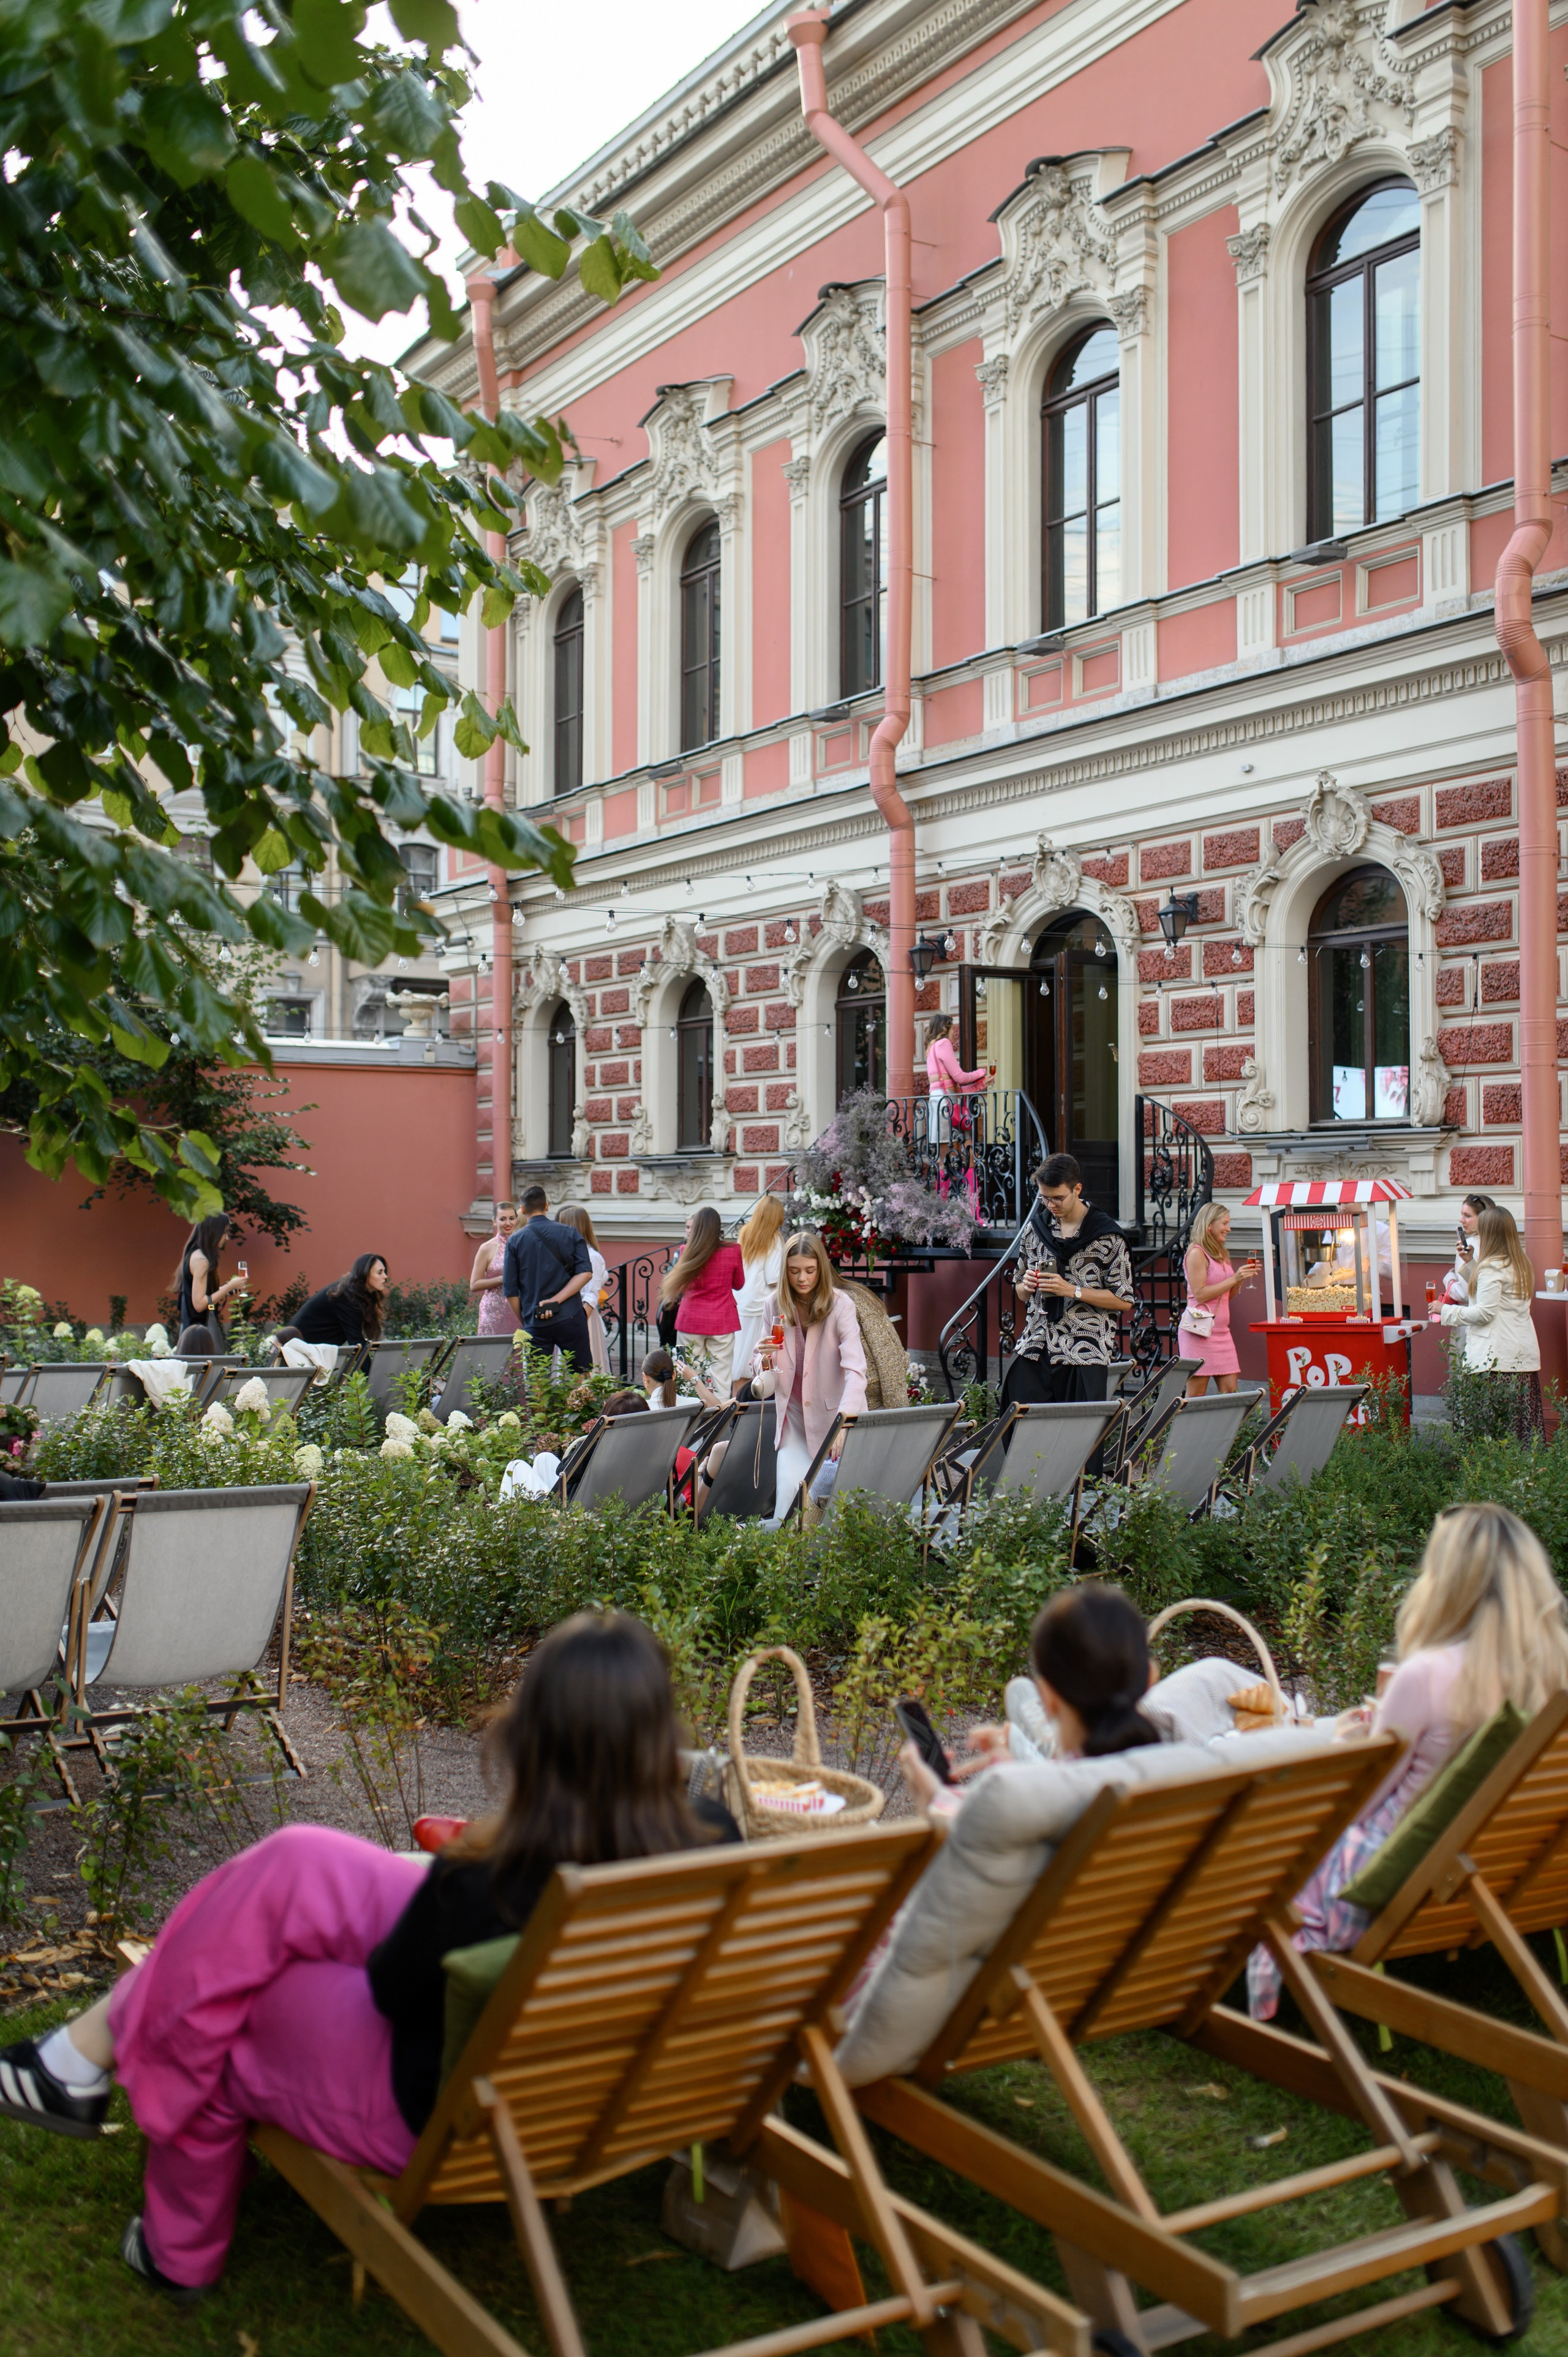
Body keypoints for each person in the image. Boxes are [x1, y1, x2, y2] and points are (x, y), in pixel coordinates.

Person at [0, 1613, 738, 2296]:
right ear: (656, 1731)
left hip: (439, 2108)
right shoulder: (711, 1835)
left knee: (229, 1997)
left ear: (535, 1737)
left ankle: (175, 2248)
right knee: (296, 1860)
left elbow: (391, 1989)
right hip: (592, 2079)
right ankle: (77, 2052)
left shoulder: (482, 1882)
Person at [1247, 1502, 1568, 2019]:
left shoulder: (1428, 1674)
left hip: (1394, 1874)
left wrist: (1349, 1749)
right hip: (1502, 1869)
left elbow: (1359, 1803)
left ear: (1448, 1582)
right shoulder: (1554, 1672)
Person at [897, 1585, 1159, 1818]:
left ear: (1047, 1698)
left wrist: (928, 1795)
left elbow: (954, 1837)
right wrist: (1017, 1771)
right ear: (1150, 1678)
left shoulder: (1024, 1803)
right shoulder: (1189, 1774)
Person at [1003, 1153, 1134, 1417]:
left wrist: (1071, 1290)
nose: (1050, 1204)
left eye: (1057, 1198)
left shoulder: (1108, 1236)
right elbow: (1019, 1290)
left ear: (1077, 1190)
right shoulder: (1035, 1230)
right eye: (1044, 1197)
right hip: (1036, 1344)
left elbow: (1124, 1300)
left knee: (1078, 1440)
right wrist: (1026, 1286)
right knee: (1017, 1424)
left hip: (1084, 1351)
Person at [749, 1229, 867, 1520]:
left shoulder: (841, 1306)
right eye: (794, 1271)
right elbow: (761, 1368)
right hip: (793, 1417)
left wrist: (845, 1422)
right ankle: (787, 1564)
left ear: (821, 1270)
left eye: (810, 1271)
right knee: (789, 1499)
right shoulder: (773, 1305)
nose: (802, 1278)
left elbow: (856, 1369)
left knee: (837, 1509)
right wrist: (762, 1358)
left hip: (835, 1418)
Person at [1433, 1202, 1542, 1439]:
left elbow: (1484, 1312)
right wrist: (1471, 1264)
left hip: (1497, 1363)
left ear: (1489, 1234)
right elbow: (1493, 1296)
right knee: (1522, 1435)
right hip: (1521, 1359)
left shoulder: (1492, 1267)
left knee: (1495, 1437)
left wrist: (1446, 1312)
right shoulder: (1521, 1264)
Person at [502, 1186, 594, 1373]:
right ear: (547, 1205)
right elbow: (585, 1273)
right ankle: (578, 1403)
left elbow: (511, 1291)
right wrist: (556, 1301)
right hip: (571, 1316)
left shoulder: (515, 1241)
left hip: (535, 1321)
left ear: (522, 1209)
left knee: (538, 1382)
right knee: (581, 1375)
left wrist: (526, 1320)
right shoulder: (570, 1233)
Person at [658, 1207, 744, 1395]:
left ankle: (692, 1419)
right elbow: (739, 1284)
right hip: (722, 1321)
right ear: (718, 1228)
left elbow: (680, 1287)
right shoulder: (734, 1250)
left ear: (695, 1228)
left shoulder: (685, 1251)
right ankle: (720, 1419)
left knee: (689, 1376)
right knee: (721, 1377)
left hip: (690, 1320)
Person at [1178, 1201, 1261, 1397]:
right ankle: (1191, 1429)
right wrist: (1234, 1278)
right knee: (1196, 1395)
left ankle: (1223, 1429)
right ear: (1210, 1225)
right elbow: (1200, 1294)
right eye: (1224, 1223)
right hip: (1199, 1332)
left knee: (1230, 1393)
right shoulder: (1197, 1253)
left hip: (1222, 1332)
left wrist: (1239, 1282)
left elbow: (1225, 1297)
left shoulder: (1221, 1254)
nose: (1229, 1228)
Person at [731, 1194, 788, 1390]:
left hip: (741, 1302)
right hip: (761, 1306)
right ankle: (746, 1413)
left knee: (738, 1364)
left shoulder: (745, 1232)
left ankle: (732, 1412)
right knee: (756, 1364)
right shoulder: (774, 1239)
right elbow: (773, 1279)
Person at [173, 1215, 247, 1345]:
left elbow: (203, 1297)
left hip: (191, 1333)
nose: (227, 1238)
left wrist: (227, 1289)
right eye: (225, 1233)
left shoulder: (195, 1255)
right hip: (197, 1336)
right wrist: (229, 1286)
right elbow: (200, 1304)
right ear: (214, 1232)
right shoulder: (201, 1261)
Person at [295, 1254, 390, 1354]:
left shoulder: (358, 1295)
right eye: (380, 1273)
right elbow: (357, 1343)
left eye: (385, 1272)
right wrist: (371, 1370)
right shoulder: (346, 1297)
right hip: (298, 1350)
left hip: (312, 1351)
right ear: (365, 1274)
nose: (385, 1277)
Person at [556, 1204, 611, 1375]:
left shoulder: (592, 1257)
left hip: (582, 1318)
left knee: (585, 1370)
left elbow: (591, 1296)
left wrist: (574, 1323)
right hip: (567, 1317)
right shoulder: (567, 1255)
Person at [924, 1013, 986, 1140]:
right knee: (953, 1149)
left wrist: (983, 1084)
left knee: (948, 1149)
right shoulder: (944, 1044)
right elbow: (960, 1078)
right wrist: (981, 1072)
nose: (954, 1032)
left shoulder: (932, 1049)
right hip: (947, 1105)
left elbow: (954, 1088)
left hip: (939, 1101)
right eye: (952, 1029)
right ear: (945, 1029)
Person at [468, 1201, 521, 1338]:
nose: (508, 1223)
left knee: (520, 1356)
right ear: (494, 1221)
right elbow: (474, 1285)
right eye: (502, 1219)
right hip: (493, 1311)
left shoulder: (523, 1244)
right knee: (493, 1355)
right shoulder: (487, 1248)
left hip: (519, 1309)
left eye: (511, 1218)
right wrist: (501, 1279)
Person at [1442, 1191, 1498, 1305]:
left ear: (1484, 1218)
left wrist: (1449, 1279)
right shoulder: (1500, 1244)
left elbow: (1464, 1294)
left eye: (1468, 1216)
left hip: (1470, 1316)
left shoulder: (1468, 1245)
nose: (1461, 1220)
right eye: (1462, 1214)